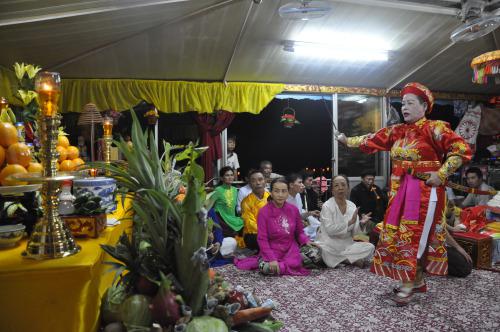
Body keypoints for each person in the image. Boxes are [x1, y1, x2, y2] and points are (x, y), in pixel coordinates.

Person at [337, 82, 472, 305]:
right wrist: (346, 141)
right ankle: (416, 280)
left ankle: (408, 283)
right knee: (400, 235)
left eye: (411, 103)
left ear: (424, 106)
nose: (405, 107)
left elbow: (462, 149)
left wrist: (442, 172)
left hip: (425, 193)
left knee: (415, 235)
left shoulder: (434, 128)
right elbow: (370, 139)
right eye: (403, 104)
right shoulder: (397, 131)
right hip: (400, 193)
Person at [234, 178, 314, 276]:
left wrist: (306, 241)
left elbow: (299, 232)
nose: (280, 195)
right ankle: (290, 264)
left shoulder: (293, 210)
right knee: (268, 268)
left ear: (288, 192)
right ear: (271, 193)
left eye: (284, 191)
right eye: (276, 191)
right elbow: (262, 239)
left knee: (317, 254)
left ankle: (288, 264)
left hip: (291, 249)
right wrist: (271, 259)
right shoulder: (264, 212)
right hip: (272, 250)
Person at [315, 175, 375, 268]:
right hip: (329, 243)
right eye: (336, 186)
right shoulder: (327, 206)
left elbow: (355, 233)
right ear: (332, 190)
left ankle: (344, 259)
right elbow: (330, 230)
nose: (340, 188)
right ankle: (349, 259)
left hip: (347, 244)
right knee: (323, 250)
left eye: (343, 185)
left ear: (348, 188)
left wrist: (361, 223)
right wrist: (349, 222)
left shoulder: (352, 206)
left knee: (370, 247)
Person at [241, 170, 270, 251]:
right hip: (253, 234)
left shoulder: (271, 197)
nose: (258, 183)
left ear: (265, 181)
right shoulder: (246, 202)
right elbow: (250, 224)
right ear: (249, 184)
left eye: (260, 179)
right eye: (253, 181)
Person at [210, 166, 244, 237]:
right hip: (221, 219)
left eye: (231, 175)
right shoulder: (217, 190)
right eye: (227, 175)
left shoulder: (235, 190)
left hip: (232, 218)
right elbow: (210, 206)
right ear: (222, 178)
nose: (230, 177)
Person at [286, 173, 321, 240]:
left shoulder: (298, 195)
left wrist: (310, 213)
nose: (303, 185)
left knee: (319, 227)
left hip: (299, 226)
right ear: (291, 185)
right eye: (300, 182)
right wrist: (300, 222)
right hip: (289, 230)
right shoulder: (284, 199)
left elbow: (299, 215)